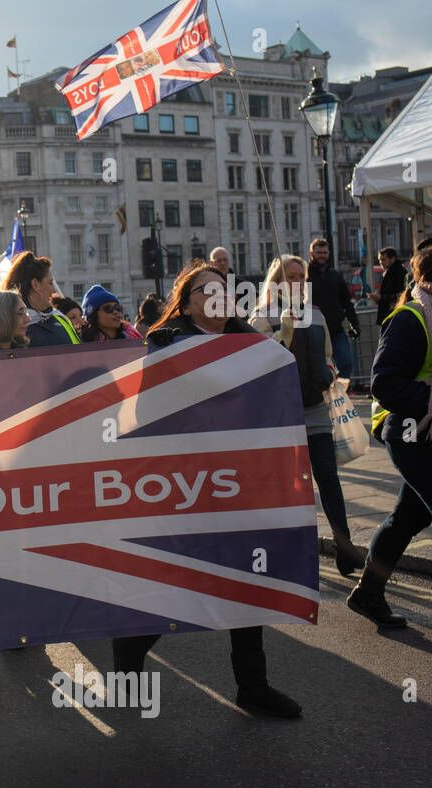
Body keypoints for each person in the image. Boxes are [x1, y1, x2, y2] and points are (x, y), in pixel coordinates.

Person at [114, 260, 303, 718]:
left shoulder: (252, 345)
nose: (219, 296)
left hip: (240, 484)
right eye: (208, 289)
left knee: (247, 581)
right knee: (173, 581)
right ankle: (127, 672)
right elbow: (144, 413)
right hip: (186, 485)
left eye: (225, 289)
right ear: (188, 300)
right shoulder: (162, 345)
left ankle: (253, 685)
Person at [362, 240, 432, 647]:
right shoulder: (412, 316)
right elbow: (384, 383)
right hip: (413, 434)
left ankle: (368, 593)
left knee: (409, 518)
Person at [250, 255, 359, 576]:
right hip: (282, 414)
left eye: (301, 276)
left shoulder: (314, 313)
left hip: (316, 407)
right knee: (288, 486)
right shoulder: (262, 315)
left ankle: (345, 547)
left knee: (328, 477)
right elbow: (261, 360)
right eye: (291, 275)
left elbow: (327, 354)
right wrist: (283, 330)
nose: (297, 281)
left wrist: (330, 373)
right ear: (277, 280)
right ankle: (291, 551)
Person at [309, 237, 360, 381]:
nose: (322, 256)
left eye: (324, 252)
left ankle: (340, 395)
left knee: (346, 364)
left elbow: (347, 302)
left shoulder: (335, 275)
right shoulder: (305, 276)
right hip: (314, 330)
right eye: (319, 252)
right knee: (319, 368)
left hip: (335, 329)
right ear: (311, 253)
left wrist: (354, 323)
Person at [5, 251, 81, 348]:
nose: (54, 289)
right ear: (35, 284)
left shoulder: (59, 317)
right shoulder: (14, 328)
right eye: (50, 283)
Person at [372, 247, 408, 327]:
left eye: (384, 260)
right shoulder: (388, 273)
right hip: (390, 315)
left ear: (392, 259)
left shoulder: (398, 273)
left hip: (394, 314)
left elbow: (400, 294)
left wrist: (381, 298)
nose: (381, 262)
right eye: (379, 260)